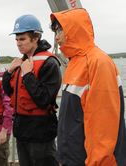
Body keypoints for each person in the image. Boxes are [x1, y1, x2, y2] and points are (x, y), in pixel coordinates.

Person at [50, 8, 126, 166]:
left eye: (60, 30)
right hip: (72, 157)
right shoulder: (75, 62)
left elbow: (103, 127)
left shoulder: (98, 62)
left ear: (73, 29)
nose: (56, 36)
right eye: (55, 31)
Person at [2, 14, 62, 166]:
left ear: (35, 38)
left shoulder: (50, 63)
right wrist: (8, 72)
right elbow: (10, 92)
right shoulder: (21, 62)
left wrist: (28, 74)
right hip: (22, 131)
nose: (18, 43)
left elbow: (44, 99)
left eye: (22, 39)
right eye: (16, 39)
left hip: (40, 132)